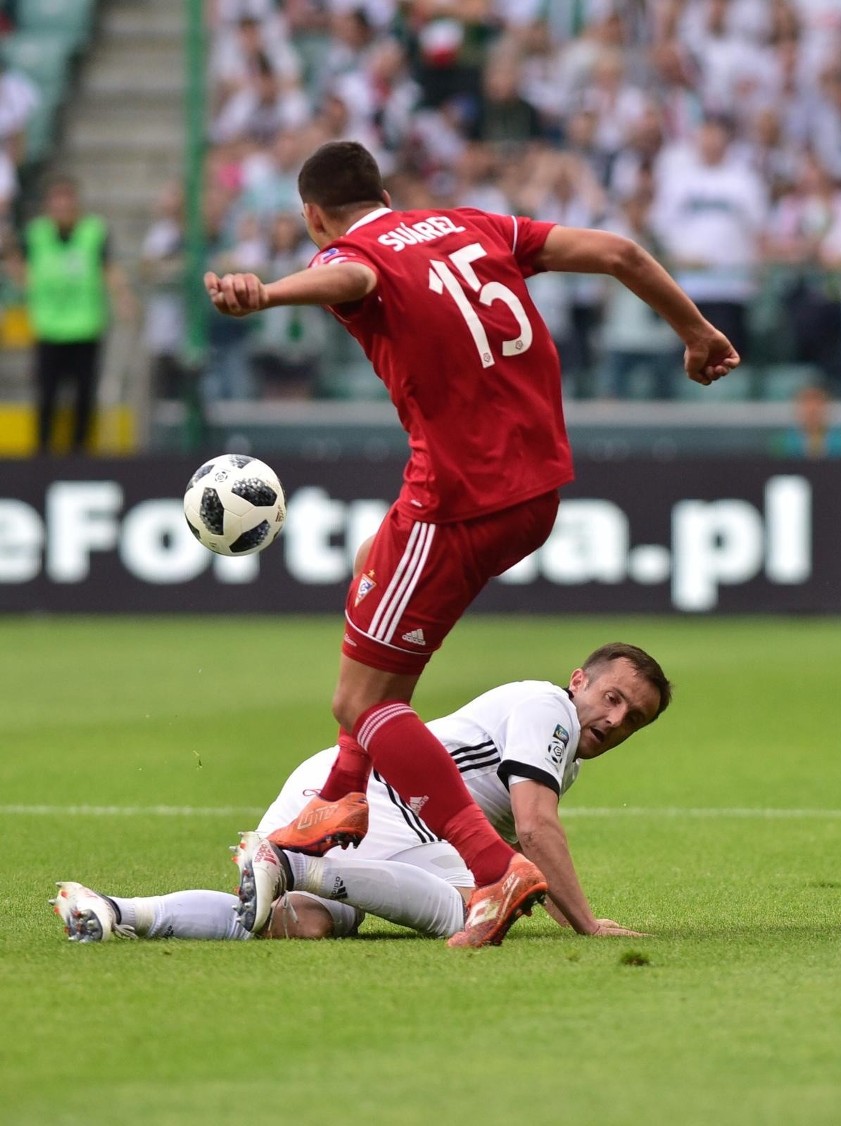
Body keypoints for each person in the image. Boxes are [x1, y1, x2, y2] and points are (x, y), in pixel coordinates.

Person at [204, 139, 737, 949]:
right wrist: (695, 333)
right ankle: (345, 789)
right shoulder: (470, 224)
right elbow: (621, 252)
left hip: (458, 499)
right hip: (538, 493)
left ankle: (495, 870)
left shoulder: (356, 253)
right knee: (372, 589)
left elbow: (354, 278)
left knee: (366, 700)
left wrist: (268, 292)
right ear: (383, 189)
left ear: (313, 215)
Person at [51, 643, 671, 946]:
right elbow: (535, 831)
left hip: (352, 801)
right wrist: (587, 927)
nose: (617, 720)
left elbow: (511, 853)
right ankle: (292, 861)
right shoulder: (548, 710)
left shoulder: (558, 751)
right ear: (578, 681)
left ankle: (116, 911)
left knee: (293, 924)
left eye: (634, 719)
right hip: (373, 803)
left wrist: (565, 914)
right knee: (475, 908)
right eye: (612, 699)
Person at [8, 175, 135, 454]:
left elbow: (108, 266)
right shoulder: (36, 234)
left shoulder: (93, 232)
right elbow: (18, 265)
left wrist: (123, 298)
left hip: (85, 327)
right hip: (49, 328)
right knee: (46, 397)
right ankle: (42, 456)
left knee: (83, 398)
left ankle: (80, 456)